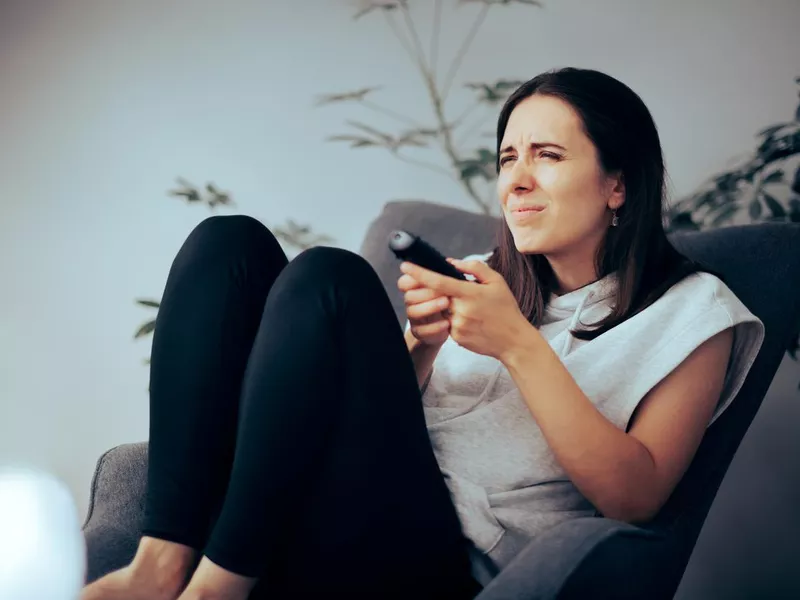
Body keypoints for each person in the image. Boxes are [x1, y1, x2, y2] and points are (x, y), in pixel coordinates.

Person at [81, 67, 764, 600]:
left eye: (547, 156)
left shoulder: (695, 313)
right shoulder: (486, 280)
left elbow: (638, 496)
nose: (516, 181)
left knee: (329, 279)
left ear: (618, 183)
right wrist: (423, 346)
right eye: (507, 159)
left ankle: (216, 588)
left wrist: (518, 345)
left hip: (427, 566)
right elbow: (383, 428)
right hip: (308, 512)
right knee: (226, 244)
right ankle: (162, 562)